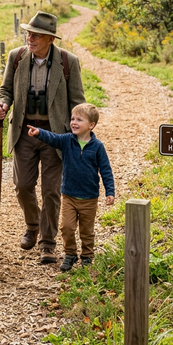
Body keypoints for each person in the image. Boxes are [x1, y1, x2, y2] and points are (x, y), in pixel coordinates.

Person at [0, 11, 85, 264]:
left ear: (50, 39)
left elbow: (78, 101)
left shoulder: (68, 62)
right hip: (23, 130)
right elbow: (6, 90)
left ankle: (47, 241)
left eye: (36, 35)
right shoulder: (17, 57)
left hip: (55, 134)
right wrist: (2, 104)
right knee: (23, 186)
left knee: (51, 190)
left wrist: (80, 135)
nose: (29, 38)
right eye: (28, 33)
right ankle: (33, 224)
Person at [27, 103, 115, 271]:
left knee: (86, 231)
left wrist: (110, 191)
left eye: (79, 120)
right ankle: (70, 254)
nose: (74, 122)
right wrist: (39, 133)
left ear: (91, 125)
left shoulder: (98, 147)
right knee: (66, 227)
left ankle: (87, 256)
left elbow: (106, 170)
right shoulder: (67, 141)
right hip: (69, 196)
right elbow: (53, 138)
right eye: (72, 119)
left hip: (89, 198)